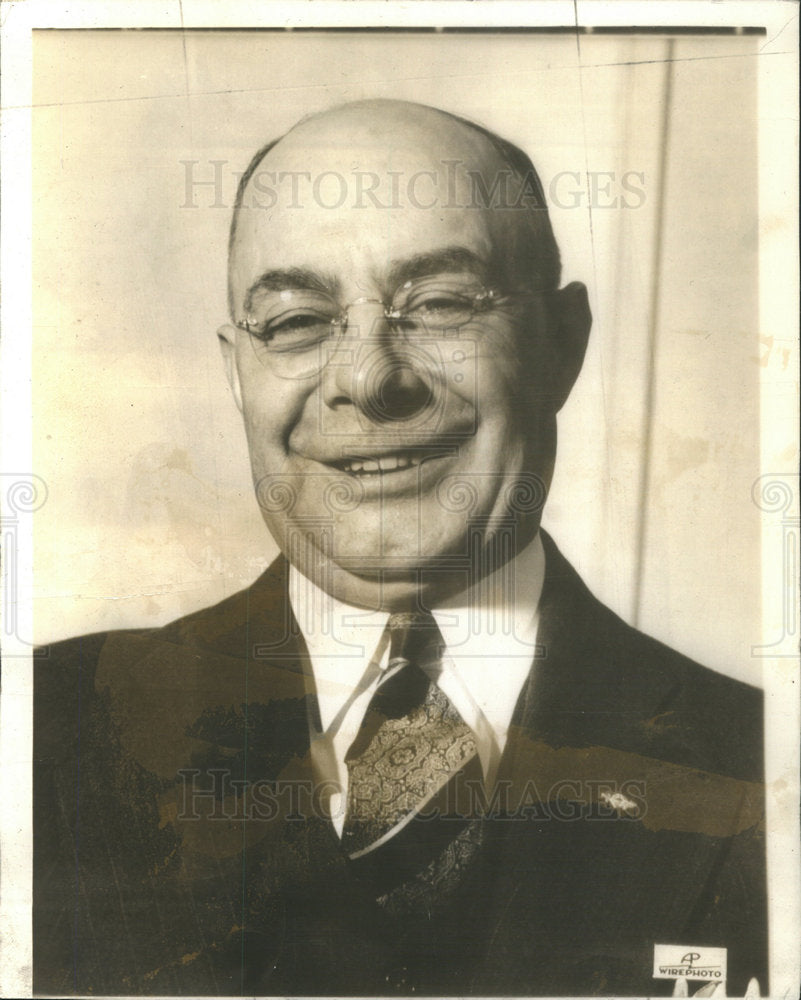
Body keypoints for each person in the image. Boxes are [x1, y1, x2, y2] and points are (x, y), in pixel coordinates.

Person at [33, 100, 767, 996]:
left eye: (441, 304)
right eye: (297, 321)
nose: (366, 378)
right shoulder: (44, 738)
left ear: (562, 344)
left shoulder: (763, 765)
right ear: (237, 371)